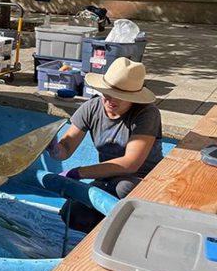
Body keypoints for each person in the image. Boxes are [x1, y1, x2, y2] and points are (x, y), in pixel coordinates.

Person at [46, 57, 163, 232]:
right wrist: (54, 149)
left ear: (134, 98)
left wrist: (79, 172)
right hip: (107, 179)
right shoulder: (91, 107)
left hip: (143, 179)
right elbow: (67, 148)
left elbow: (130, 163)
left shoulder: (147, 114)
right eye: (107, 94)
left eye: (119, 97)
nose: (110, 101)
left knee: (124, 189)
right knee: (74, 215)